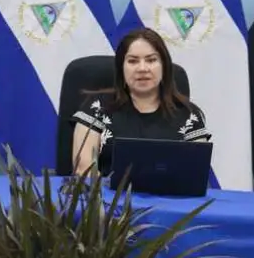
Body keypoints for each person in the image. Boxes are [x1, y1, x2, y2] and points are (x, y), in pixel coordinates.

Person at [70, 27, 211, 176]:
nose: (142, 68)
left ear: (164, 66)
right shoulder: (97, 107)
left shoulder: (189, 115)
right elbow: (83, 169)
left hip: (171, 191)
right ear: (121, 67)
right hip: (107, 191)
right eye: (133, 61)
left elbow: (196, 174)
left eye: (151, 60)